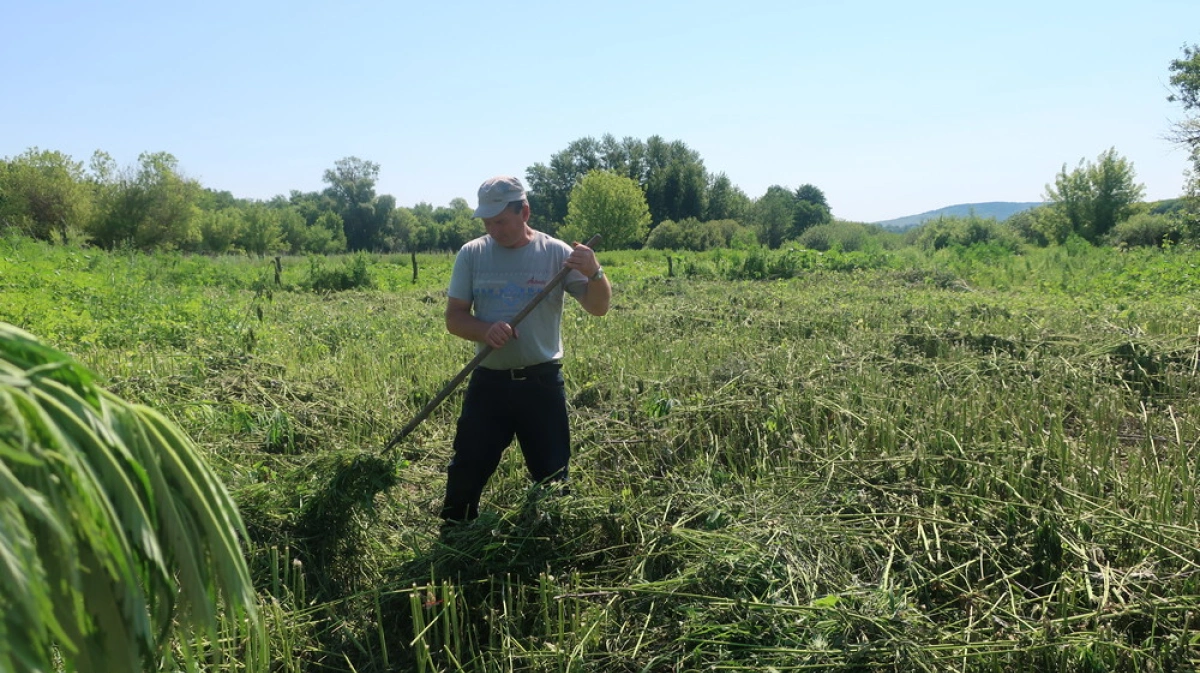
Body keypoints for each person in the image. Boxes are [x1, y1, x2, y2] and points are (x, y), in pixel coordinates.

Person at [439, 175, 611, 524]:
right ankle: (455, 535)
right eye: (487, 221)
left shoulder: (557, 254)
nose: (493, 229)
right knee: (467, 468)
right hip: (489, 382)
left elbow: (599, 307)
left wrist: (595, 272)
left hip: (541, 383)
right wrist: (485, 329)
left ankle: (548, 541)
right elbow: (455, 319)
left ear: (525, 212)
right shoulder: (472, 254)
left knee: (552, 475)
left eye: (500, 221)